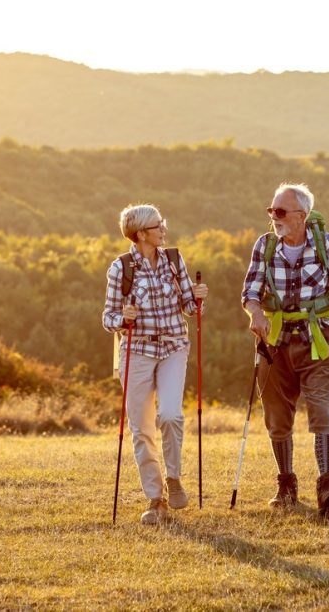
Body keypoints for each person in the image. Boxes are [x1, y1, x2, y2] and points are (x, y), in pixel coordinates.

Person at [241, 182, 329, 517]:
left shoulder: (327, 245)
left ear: (301, 216)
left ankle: (327, 484)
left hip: (317, 341)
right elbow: (250, 292)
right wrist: (257, 314)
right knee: (277, 416)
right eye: (271, 211)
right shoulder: (264, 246)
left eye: (280, 212)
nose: (273, 217)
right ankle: (286, 484)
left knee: (321, 409)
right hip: (274, 343)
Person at [102, 203, 209, 525]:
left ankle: (173, 478)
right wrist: (124, 317)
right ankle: (155, 498)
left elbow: (190, 308)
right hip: (136, 352)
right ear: (141, 234)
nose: (164, 228)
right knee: (142, 429)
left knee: (171, 415)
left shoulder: (174, 260)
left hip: (174, 347)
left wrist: (198, 297)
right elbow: (108, 318)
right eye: (158, 225)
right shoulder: (121, 268)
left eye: (163, 223)